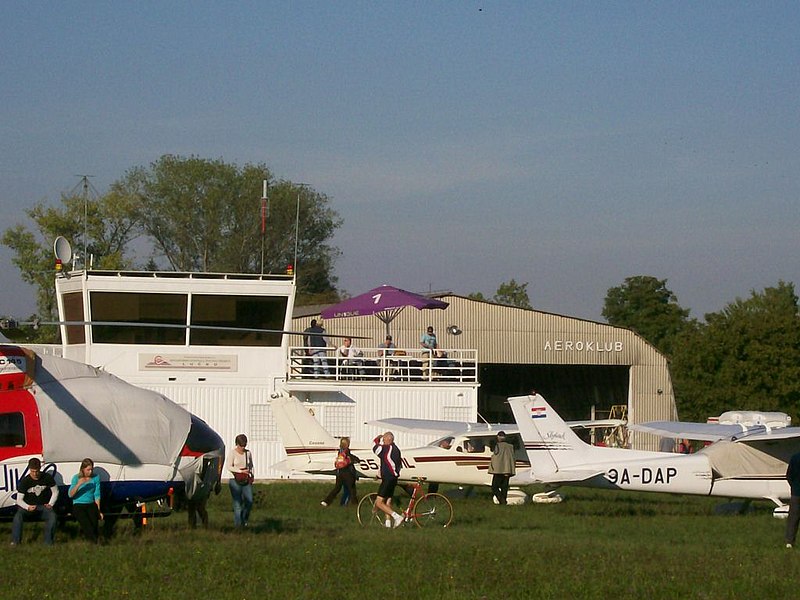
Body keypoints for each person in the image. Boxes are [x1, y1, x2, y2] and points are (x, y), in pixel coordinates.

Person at [11, 457, 59, 546]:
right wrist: (27, 507)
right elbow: (19, 500)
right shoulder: (25, 481)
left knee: (52, 516)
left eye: (36, 471)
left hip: (43, 507)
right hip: (28, 508)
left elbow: (55, 491)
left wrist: (51, 504)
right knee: (18, 516)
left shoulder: (47, 478)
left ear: (40, 469)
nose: (35, 474)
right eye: (32, 471)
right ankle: (15, 541)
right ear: (29, 470)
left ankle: (48, 542)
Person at [373, 431, 404, 528]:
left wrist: (376, 440)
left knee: (379, 502)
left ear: (388, 440)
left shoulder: (387, 448)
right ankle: (388, 523)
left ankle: (397, 517)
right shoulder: (396, 449)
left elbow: (375, 449)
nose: (383, 442)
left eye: (384, 440)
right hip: (393, 478)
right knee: (387, 502)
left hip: (388, 478)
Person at [69, 458, 103, 543]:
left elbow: (97, 494)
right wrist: (79, 484)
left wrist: (98, 509)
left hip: (90, 503)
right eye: (88, 470)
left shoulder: (96, 478)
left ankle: (93, 541)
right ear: (83, 469)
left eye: (91, 469)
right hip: (78, 504)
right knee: (86, 523)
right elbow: (70, 494)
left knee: (94, 522)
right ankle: (95, 542)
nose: (90, 472)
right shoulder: (76, 478)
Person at [321, 437, 360, 507]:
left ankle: (326, 501)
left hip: (339, 473)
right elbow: (350, 457)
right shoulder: (346, 451)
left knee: (337, 488)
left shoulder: (340, 451)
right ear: (347, 444)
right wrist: (357, 459)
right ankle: (355, 504)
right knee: (352, 489)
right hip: (347, 473)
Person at [228, 433, 254, 528]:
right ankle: (238, 526)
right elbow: (229, 466)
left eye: (244, 445)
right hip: (234, 479)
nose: (242, 447)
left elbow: (251, 465)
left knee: (249, 501)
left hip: (246, 479)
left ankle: (244, 519)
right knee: (237, 504)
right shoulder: (232, 453)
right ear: (237, 444)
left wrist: (252, 475)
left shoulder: (248, 453)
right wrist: (240, 471)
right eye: (241, 445)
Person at [488, 431, 516, 505]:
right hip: (508, 469)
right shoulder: (510, 446)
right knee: (504, 487)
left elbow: (493, 451)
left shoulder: (496, 446)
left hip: (499, 470)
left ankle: (502, 500)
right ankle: (503, 500)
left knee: (494, 487)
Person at [785, 451, 800, 548]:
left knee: (793, 519)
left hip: (796, 493)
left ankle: (789, 542)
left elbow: (789, 475)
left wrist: (794, 486)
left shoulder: (795, 457)